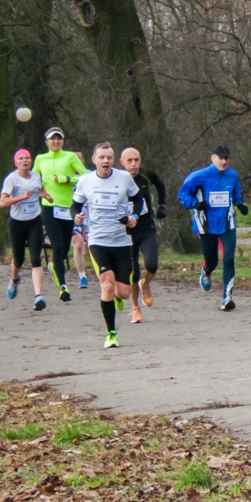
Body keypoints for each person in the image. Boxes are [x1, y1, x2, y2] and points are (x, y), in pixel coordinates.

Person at [72, 143, 140, 348]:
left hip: (121, 240)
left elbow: (138, 199)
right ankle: (111, 333)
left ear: (113, 160)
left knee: (124, 293)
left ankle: (117, 299)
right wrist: (76, 216)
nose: (105, 161)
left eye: (109, 157)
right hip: (98, 240)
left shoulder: (124, 178)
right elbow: (75, 204)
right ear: (94, 160)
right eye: (101, 157)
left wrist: (134, 216)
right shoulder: (85, 181)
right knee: (107, 285)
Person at [178, 145, 248, 311]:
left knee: (229, 258)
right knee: (213, 261)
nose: (223, 161)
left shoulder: (232, 175)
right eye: (220, 158)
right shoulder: (198, 176)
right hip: (206, 225)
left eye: (226, 158)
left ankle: (227, 298)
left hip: (227, 224)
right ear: (213, 158)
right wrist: (194, 204)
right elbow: (183, 195)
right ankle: (206, 269)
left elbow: (236, 194)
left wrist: (240, 204)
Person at [34, 128, 86, 303]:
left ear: (63, 141)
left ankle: (54, 267)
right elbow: (34, 179)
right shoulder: (41, 159)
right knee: (56, 246)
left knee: (64, 248)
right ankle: (63, 286)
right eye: (52, 139)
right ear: (46, 142)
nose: (55, 142)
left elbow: (85, 176)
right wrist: (41, 193)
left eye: (59, 139)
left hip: (68, 207)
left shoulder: (70, 157)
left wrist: (66, 179)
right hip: (49, 207)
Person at [119, 147, 165, 324]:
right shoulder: (116, 179)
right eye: (129, 161)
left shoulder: (146, 175)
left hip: (146, 228)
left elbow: (160, 186)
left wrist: (162, 206)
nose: (133, 164)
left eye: (136, 160)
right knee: (132, 272)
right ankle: (135, 308)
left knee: (151, 265)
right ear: (122, 162)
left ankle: (146, 284)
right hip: (125, 233)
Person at [0, 148, 49, 311]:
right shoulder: (11, 179)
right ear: (16, 162)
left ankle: (38, 296)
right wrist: (21, 197)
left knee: (36, 257)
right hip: (17, 222)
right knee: (19, 259)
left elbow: (39, 189)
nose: (25, 161)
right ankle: (14, 279)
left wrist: (46, 195)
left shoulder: (36, 176)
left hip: (35, 220)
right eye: (21, 158)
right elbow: (3, 202)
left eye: (27, 158)